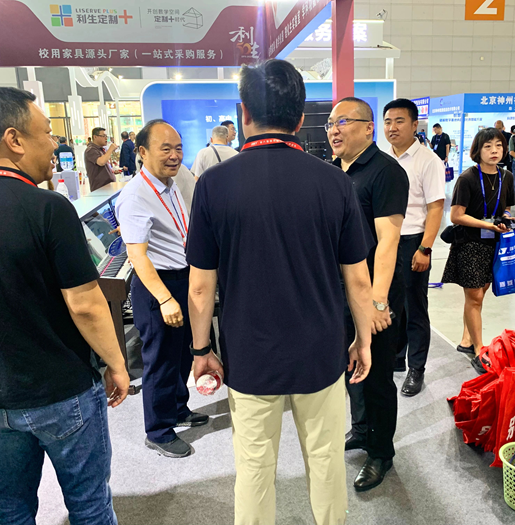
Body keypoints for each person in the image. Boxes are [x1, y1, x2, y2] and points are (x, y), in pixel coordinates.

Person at [187, 59, 373, 524]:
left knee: (253, 467)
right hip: (320, 348)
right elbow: (357, 278)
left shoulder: (213, 185)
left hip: (249, 352)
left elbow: (200, 287)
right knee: (326, 460)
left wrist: (201, 349)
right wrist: (364, 339)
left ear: (245, 113)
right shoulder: (335, 182)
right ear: (300, 117)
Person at [0, 86, 129, 524]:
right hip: (62, 391)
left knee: (11, 502)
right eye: (46, 133)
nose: (54, 145)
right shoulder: (48, 208)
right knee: (89, 504)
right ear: (14, 139)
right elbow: (85, 303)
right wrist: (116, 364)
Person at [328, 97, 409, 491]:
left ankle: (380, 453)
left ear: (367, 127)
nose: (334, 129)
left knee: (376, 377)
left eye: (343, 121)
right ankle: (361, 429)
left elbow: (388, 242)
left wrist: (377, 302)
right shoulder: (333, 171)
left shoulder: (385, 172)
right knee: (351, 369)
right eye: (331, 123)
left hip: (374, 293)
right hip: (341, 293)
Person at [116, 119, 208, 458]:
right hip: (159, 286)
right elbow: (137, 256)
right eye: (165, 149)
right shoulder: (135, 195)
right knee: (160, 360)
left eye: (178, 148)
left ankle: (177, 408)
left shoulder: (170, 184)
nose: (174, 156)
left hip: (182, 278)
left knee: (182, 353)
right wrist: (166, 298)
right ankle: (157, 431)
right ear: (142, 151)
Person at [383, 99, 445, 397]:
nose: (392, 128)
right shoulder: (382, 158)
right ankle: (396, 357)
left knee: (415, 307)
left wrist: (425, 249)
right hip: (386, 242)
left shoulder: (428, 160)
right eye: (388, 122)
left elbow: (436, 208)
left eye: (399, 121)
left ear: (413, 124)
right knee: (391, 303)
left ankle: (416, 368)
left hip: (413, 241)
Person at [441, 128, 515, 374]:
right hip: (470, 244)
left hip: (494, 244)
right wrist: (487, 225)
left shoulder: (506, 176)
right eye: (488, 146)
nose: (494, 151)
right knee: (475, 298)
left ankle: (466, 338)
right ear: (477, 150)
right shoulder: (467, 178)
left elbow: (507, 208)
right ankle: (479, 349)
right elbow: (456, 215)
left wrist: (505, 219)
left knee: (479, 294)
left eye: (499, 146)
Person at [84, 127, 118, 191]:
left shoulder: (100, 149)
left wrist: (111, 171)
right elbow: (101, 162)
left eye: (106, 136)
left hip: (108, 187)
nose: (106, 138)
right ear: (95, 137)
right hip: (100, 189)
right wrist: (110, 149)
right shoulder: (91, 150)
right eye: (103, 136)